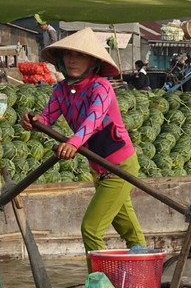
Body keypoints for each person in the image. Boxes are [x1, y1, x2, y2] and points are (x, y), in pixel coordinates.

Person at [21, 27, 147, 255]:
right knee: (128, 229)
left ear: (92, 61)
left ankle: (98, 283)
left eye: (79, 55)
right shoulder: (61, 89)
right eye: (68, 55)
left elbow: (93, 120)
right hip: (99, 168)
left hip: (119, 165)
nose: (72, 60)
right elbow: (48, 116)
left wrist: (72, 143)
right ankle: (143, 270)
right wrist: (34, 120)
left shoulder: (101, 88)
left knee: (91, 229)